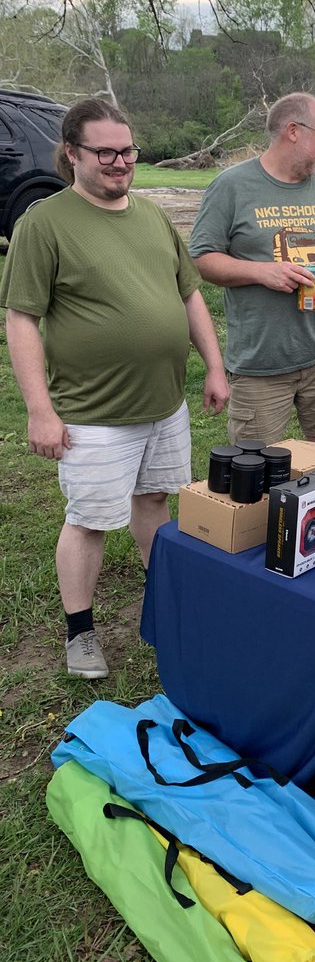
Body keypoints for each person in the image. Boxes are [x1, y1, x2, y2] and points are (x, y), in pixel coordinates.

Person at [0, 99, 229, 680]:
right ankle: (81, 632)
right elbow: (23, 318)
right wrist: (39, 410)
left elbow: (188, 295)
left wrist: (215, 366)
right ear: (72, 153)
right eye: (104, 151)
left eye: (126, 150)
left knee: (154, 501)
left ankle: (163, 601)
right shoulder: (44, 223)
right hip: (92, 414)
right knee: (89, 520)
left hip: (163, 404)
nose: (119, 161)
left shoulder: (152, 215)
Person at [189, 92, 315, 449]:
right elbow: (201, 259)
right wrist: (262, 272)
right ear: (293, 131)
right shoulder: (232, 186)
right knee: (257, 475)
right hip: (261, 366)